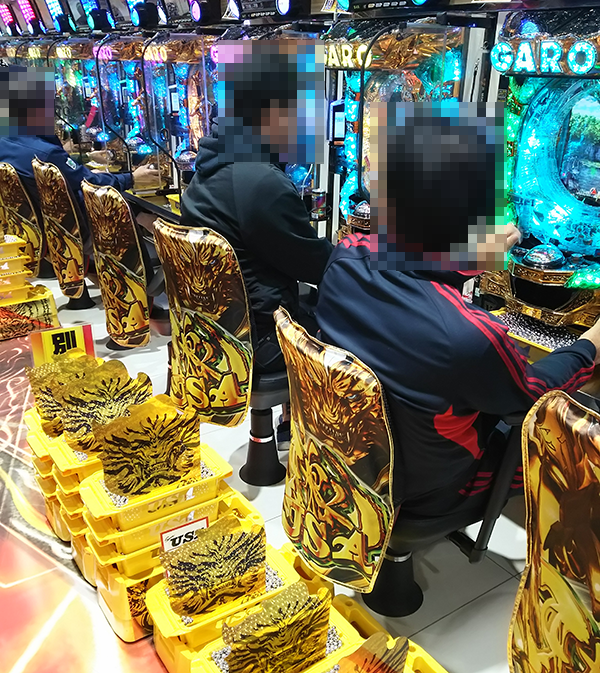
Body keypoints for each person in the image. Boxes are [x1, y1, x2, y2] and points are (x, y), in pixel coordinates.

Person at [316, 108, 599, 521]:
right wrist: (590, 345)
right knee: (561, 446)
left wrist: (480, 251)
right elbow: (535, 392)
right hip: (426, 490)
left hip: (346, 452)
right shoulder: (468, 337)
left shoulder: (344, 258)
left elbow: (412, 264)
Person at [180, 48, 333, 375]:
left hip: (215, 330)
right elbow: (317, 266)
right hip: (259, 340)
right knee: (369, 339)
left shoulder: (214, 162)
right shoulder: (260, 181)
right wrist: (364, 255)